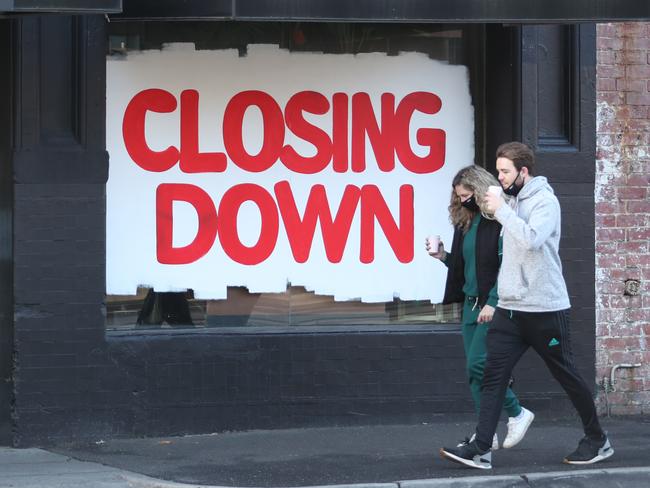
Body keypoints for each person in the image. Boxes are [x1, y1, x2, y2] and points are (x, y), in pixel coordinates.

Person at [439, 142, 614, 469]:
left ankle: (597, 439)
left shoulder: (545, 202)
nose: (500, 177)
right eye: (498, 170)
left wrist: (503, 210)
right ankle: (481, 447)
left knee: (566, 374)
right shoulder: (510, 200)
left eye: (505, 171)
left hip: (545, 312)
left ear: (523, 171)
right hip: (511, 311)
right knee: (492, 374)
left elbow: (532, 239)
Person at [427, 165, 534, 452]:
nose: (463, 201)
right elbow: (466, 269)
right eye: (459, 197)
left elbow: (508, 266)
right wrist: (443, 256)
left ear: (480, 189)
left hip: (493, 307)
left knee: (480, 364)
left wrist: (494, 301)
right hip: (471, 306)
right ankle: (484, 435)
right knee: (474, 372)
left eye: (467, 195)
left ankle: (517, 412)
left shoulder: (499, 220)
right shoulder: (467, 222)